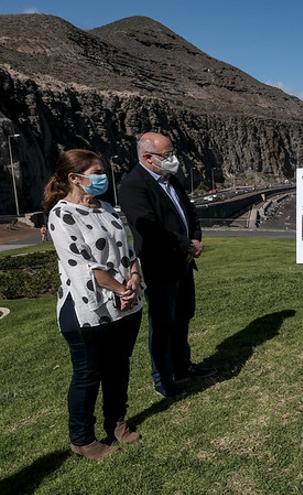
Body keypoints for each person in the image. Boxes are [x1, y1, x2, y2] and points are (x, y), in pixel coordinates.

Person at [43, 149, 144, 459]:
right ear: (75, 178)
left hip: (125, 305)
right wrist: (118, 288)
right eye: (97, 173)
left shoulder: (107, 209)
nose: (103, 178)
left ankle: (116, 421)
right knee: (88, 374)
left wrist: (135, 274)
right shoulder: (61, 215)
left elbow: (127, 248)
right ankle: (82, 438)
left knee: (119, 367)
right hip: (89, 310)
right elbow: (82, 265)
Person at [119, 132, 214, 398]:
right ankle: (163, 378)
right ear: (148, 158)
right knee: (162, 323)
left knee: (183, 316)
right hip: (159, 266)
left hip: (183, 263)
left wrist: (194, 239)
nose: (173, 159)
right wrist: (185, 245)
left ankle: (182, 367)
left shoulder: (170, 179)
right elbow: (150, 227)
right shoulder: (133, 185)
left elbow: (190, 212)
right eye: (166, 155)